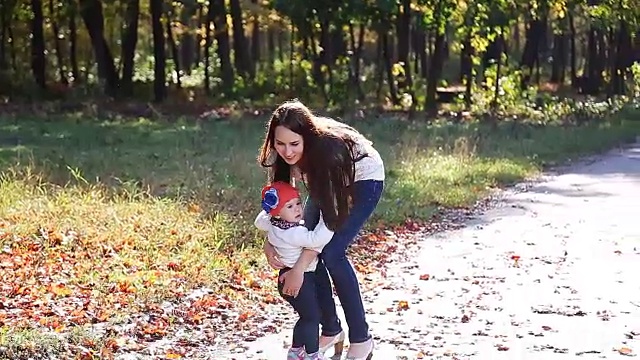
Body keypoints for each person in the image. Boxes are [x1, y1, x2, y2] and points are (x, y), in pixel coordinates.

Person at [257, 100, 385, 360]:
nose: (287, 152)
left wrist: (298, 269)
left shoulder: (326, 152)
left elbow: (325, 227)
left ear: (308, 138)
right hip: (325, 182)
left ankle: (362, 339)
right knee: (314, 250)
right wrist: (269, 244)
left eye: (294, 144)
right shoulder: (286, 156)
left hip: (363, 179)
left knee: (332, 254)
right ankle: (331, 329)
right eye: (280, 144)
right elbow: (279, 211)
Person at [254, 181, 335, 360]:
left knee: (306, 316)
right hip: (300, 279)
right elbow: (316, 239)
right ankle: (312, 354)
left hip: (286, 275)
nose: (297, 209)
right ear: (277, 212)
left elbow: (259, 221)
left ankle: (296, 350)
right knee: (312, 318)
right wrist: (328, 220)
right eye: (289, 206)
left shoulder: (273, 224)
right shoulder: (292, 233)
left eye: (298, 203)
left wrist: (270, 209)